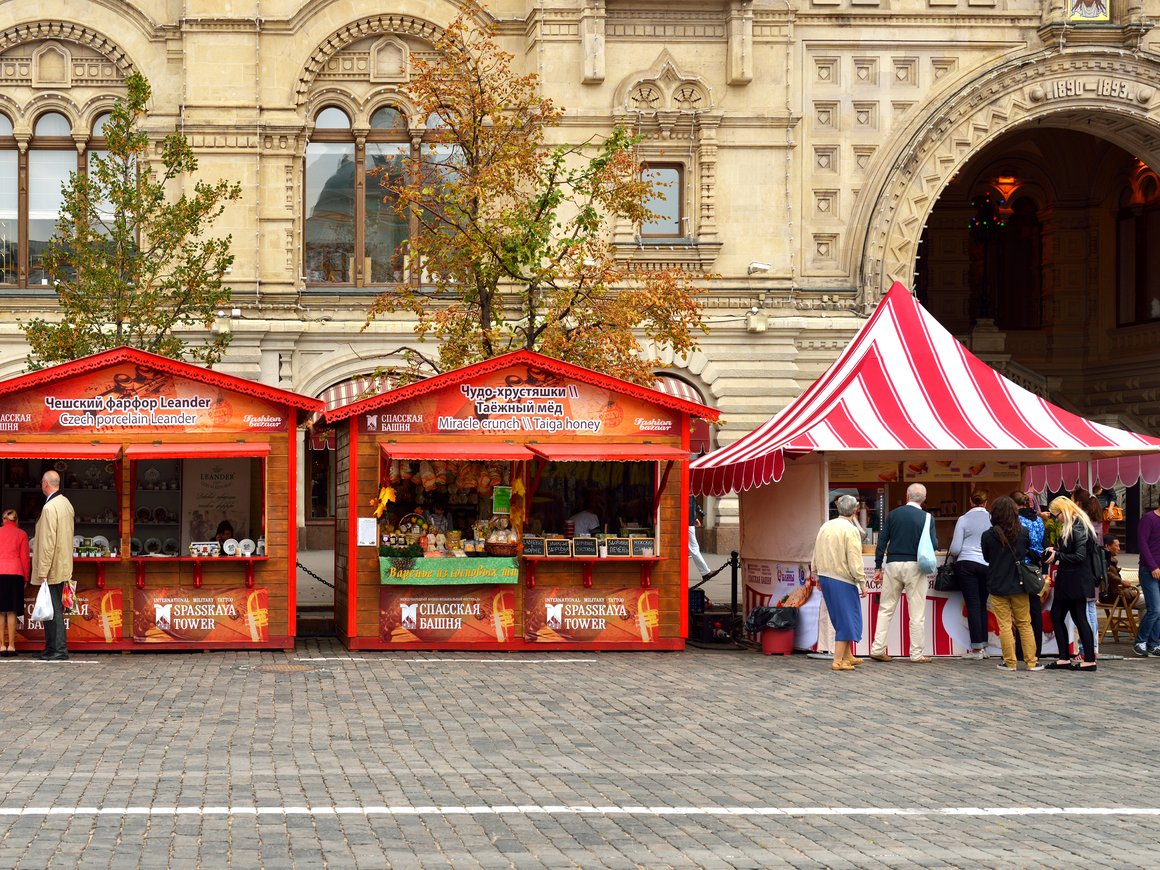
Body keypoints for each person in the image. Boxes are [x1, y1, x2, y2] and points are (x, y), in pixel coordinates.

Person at [869, 483, 937, 663]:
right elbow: (934, 545)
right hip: (916, 566)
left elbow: (882, 542)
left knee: (886, 608)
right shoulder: (927, 518)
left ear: (907, 496)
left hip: (893, 564)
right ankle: (916, 654)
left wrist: (878, 567)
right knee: (916, 612)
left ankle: (877, 648)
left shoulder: (893, 515)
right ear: (924, 499)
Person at [980, 496, 1042, 672]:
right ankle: (1031, 662)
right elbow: (1027, 551)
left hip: (997, 584)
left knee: (1005, 625)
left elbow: (986, 558)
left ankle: (1010, 662)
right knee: (1024, 623)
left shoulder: (988, 535)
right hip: (1019, 584)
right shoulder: (1022, 533)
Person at [813, 494, 867, 671]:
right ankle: (837, 660)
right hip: (842, 578)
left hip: (826, 575)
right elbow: (854, 559)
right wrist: (861, 581)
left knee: (840, 617)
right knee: (848, 618)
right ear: (855, 510)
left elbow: (816, 551)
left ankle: (847, 655)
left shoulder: (826, 526)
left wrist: (816, 573)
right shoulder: (850, 530)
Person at [1043, 496, 1098, 671]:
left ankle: (1086, 659)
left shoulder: (1077, 525)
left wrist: (1058, 555)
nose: (1055, 518)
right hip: (1072, 579)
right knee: (1063, 616)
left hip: (1075, 579)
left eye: (1056, 514)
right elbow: (1075, 552)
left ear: (1063, 510)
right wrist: (1057, 551)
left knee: (1073, 617)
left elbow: (1080, 556)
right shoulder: (1076, 523)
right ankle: (1068, 658)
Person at [32, 470, 74, 662]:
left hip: (53, 567)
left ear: (45, 484)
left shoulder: (49, 508)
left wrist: (43, 570)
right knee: (55, 609)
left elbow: (48, 542)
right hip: (63, 564)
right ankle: (52, 648)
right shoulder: (66, 503)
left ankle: (57, 649)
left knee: (54, 609)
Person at [948, 490, 991, 659]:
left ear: (971, 501)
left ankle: (977, 649)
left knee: (972, 604)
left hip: (966, 564)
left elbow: (955, 548)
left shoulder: (963, 519)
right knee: (982, 604)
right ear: (986, 503)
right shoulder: (992, 519)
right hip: (987, 565)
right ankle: (985, 647)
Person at [1012, 490, 1046, 659]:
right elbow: (1044, 543)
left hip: (1020, 567)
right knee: (1035, 610)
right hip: (1035, 566)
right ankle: (1036, 649)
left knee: (1021, 611)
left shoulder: (1016, 521)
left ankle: (1021, 650)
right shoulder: (1039, 520)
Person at [0, 509, 30, 657]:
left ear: (3, 519)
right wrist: (26, 577)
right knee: (11, 611)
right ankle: (11, 645)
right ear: (16, 520)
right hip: (15, 573)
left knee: (0, 611)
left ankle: (1, 645)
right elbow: (25, 558)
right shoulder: (22, 534)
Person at [1134, 501, 1160, 657]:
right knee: (1154, 609)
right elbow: (1142, 545)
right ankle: (1140, 641)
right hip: (1149, 570)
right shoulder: (1149, 519)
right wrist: (1152, 566)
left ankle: (1154, 643)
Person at [688, 493, 712, 581]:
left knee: (692, 548)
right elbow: (689, 507)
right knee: (694, 548)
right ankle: (705, 572)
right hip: (688, 524)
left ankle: (705, 572)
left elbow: (690, 506)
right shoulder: (690, 493)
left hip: (688, 523)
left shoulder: (690, 493)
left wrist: (694, 519)